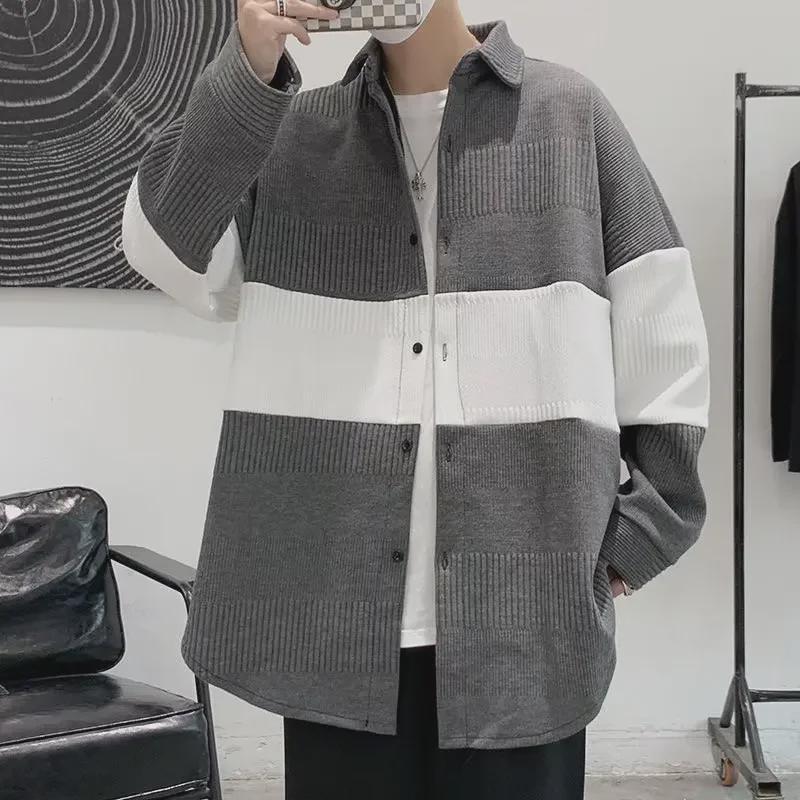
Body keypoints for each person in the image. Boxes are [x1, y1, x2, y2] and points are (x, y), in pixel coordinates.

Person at [121, 1, 711, 798]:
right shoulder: (292, 134)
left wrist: (641, 534)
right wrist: (247, 67)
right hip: (330, 622)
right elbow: (162, 250)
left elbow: (663, 330)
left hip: (525, 622)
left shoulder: (571, 117)